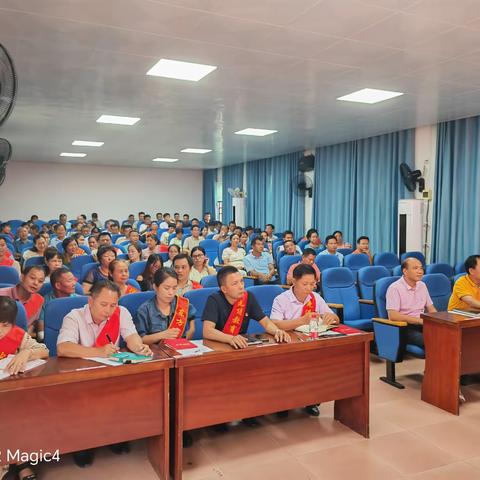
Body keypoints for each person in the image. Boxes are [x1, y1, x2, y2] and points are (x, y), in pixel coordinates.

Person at [56, 280, 152, 467]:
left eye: (113, 304)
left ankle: (114, 436)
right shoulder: (74, 317)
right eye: (103, 304)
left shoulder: (121, 313)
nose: (109, 310)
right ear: (91, 301)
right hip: (82, 376)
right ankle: (83, 444)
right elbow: (63, 347)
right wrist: (98, 351)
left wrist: (139, 347)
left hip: (111, 374)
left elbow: (131, 336)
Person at [271, 263, 339, 417]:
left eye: (313, 284)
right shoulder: (281, 299)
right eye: (305, 284)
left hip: (311, 342)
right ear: (294, 281)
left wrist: (331, 317)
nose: (310, 288)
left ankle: (311, 400)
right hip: (288, 344)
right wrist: (301, 320)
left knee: (320, 366)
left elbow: (335, 317)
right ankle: (284, 403)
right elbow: (274, 324)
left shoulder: (316, 298)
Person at [0, 296, 49, 480]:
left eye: (4, 325)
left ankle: (21, 462)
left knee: (22, 415)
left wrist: (27, 352)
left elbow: (44, 351)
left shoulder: (18, 335)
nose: (0, 330)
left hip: (11, 392)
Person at [202, 266, 290, 349]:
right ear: (224, 289)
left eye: (242, 281)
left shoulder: (248, 297)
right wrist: (230, 338)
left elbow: (266, 323)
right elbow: (208, 331)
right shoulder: (214, 300)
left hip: (240, 345)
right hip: (219, 345)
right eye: (235, 283)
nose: (241, 286)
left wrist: (277, 331)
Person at [386, 257, 437, 348]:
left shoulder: (422, 285)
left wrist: (439, 322)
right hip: (405, 326)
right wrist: (420, 321)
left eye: (421, 268)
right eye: (415, 268)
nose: (420, 271)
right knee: (432, 341)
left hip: (422, 323)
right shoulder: (394, 288)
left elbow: (431, 308)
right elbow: (393, 316)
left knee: (448, 336)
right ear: (405, 271)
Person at [136, 268, 197, 343]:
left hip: (180, 349)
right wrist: (162, 335)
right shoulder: (145, 310)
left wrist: (192, 329)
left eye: (174, 288)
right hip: (156, 352)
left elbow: (192, 317)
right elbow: (140, 339)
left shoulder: (182, 304)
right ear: (155, 287)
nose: (171, 292)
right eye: (166, 288)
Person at [0, 265, 45, 339]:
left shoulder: (39, 300)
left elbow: (32, 324)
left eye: (40, 281)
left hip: (19, 341)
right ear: (22, 277)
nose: (36, 283)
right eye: (32, 278)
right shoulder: (1, 294)